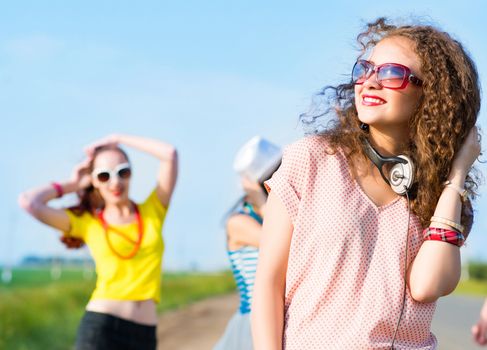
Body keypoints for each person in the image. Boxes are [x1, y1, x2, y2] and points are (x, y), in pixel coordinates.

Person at [251, 17, 481, 349]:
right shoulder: (310, 160)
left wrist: (455, 177)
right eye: (366, 70)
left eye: (391, 74)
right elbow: (268, 283)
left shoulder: (442, 197)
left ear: (430, 95)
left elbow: (427, 286)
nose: (370, 83)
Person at [18, 134, 178, 350]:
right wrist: (72, 184)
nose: (115, 182)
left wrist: (118, 138)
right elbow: (30, 203)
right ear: (93, 181)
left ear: (131, 173)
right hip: (101, 329)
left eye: (123, 171)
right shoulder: (88, 222)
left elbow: (169, 154)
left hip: (144, 334)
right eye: (104, 176)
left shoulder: (153, 211)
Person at [214, 136, 281, 350]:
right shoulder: (239, 222)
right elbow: (279, 244)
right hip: (252, 322)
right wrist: (261, 201)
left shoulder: (279, 217)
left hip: (280, 317)